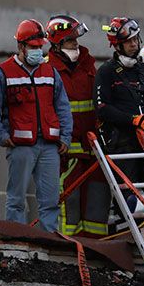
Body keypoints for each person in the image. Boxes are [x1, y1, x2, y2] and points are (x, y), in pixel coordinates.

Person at [0, 19, 73, 232]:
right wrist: (1, 136)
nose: (37, 51)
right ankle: (16, 238)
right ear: (21, 47)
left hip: (50, 146)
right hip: (20, 146)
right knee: (16, 199)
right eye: (33, 47)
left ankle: (49, 241)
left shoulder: (50, 73)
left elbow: (63, 107)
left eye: (40, 47)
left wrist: (65, 137)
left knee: (50, 200)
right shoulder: (2, 73)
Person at [94, 18, 144, 210]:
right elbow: (102, 108)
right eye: (129, 41)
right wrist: (133, 120)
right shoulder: (106, 72)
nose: (134, 44)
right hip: (122, 144)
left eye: (136, 39)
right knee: (132, 203)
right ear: (117, 44)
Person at [46, 15, 110, 237]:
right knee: (69, 201)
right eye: (70, 41)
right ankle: (69, 244)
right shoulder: (48, 70)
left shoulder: (89, 66)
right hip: (66, 152)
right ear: (57, 44)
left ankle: (97, 244)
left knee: (97, 199)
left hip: (92, 149)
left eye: (76, 40)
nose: (76, 45)